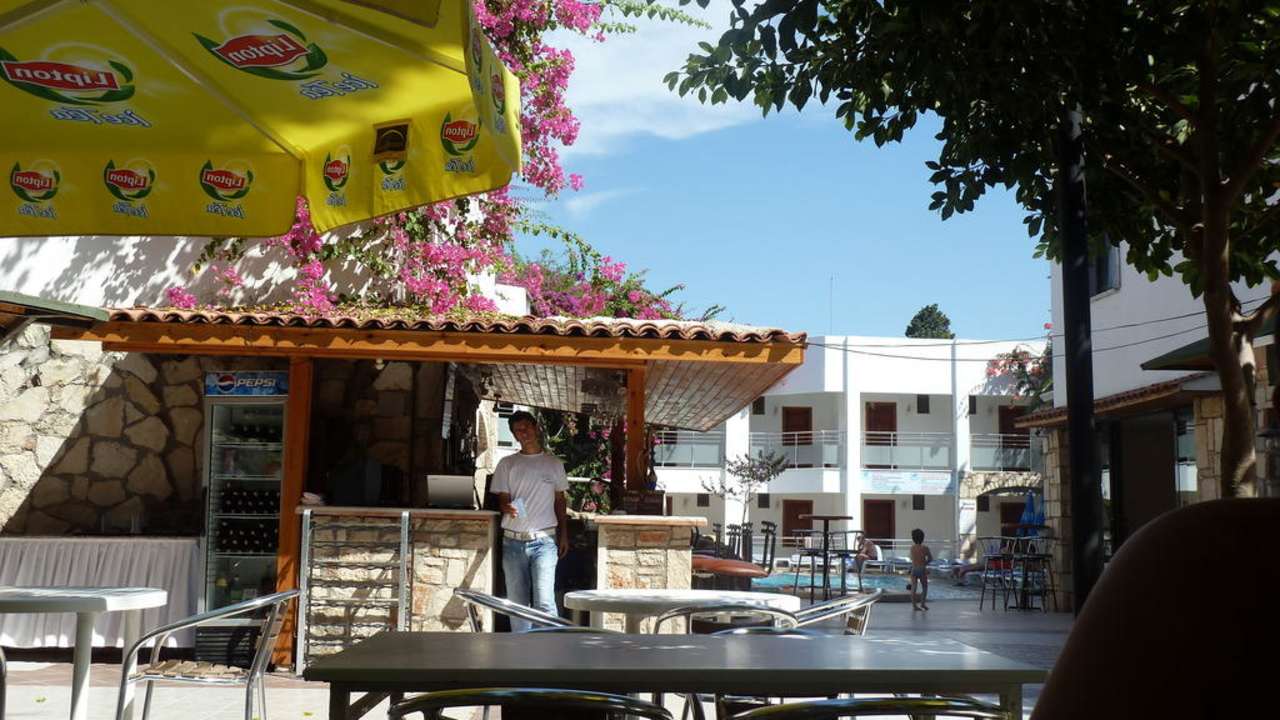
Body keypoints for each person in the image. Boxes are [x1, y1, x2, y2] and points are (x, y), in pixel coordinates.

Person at [490, 411, 569, 631]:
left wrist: (564, 535)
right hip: (512, 541)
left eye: (526, 427)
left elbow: (560, 501)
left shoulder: (553, 464)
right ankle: (521, 649)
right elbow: (502, 498)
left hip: (545, 540)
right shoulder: (507, 464)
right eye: (518, 430)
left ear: (535, 427)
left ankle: (548, 650)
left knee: (545, 602)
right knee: (517, 604)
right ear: (514, 435)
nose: (523, 433)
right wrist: (507, 507)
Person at [908, 528, 933, 611]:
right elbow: (930, 558)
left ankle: (914, 606)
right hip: (922, 569)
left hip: (914, 569)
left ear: (913, 538)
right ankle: (922, 604)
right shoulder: (925, 548)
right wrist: (925, 563)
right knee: (924, 587)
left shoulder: (912, 548)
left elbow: (912, 559)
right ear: (922, 538)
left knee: (913, 588)